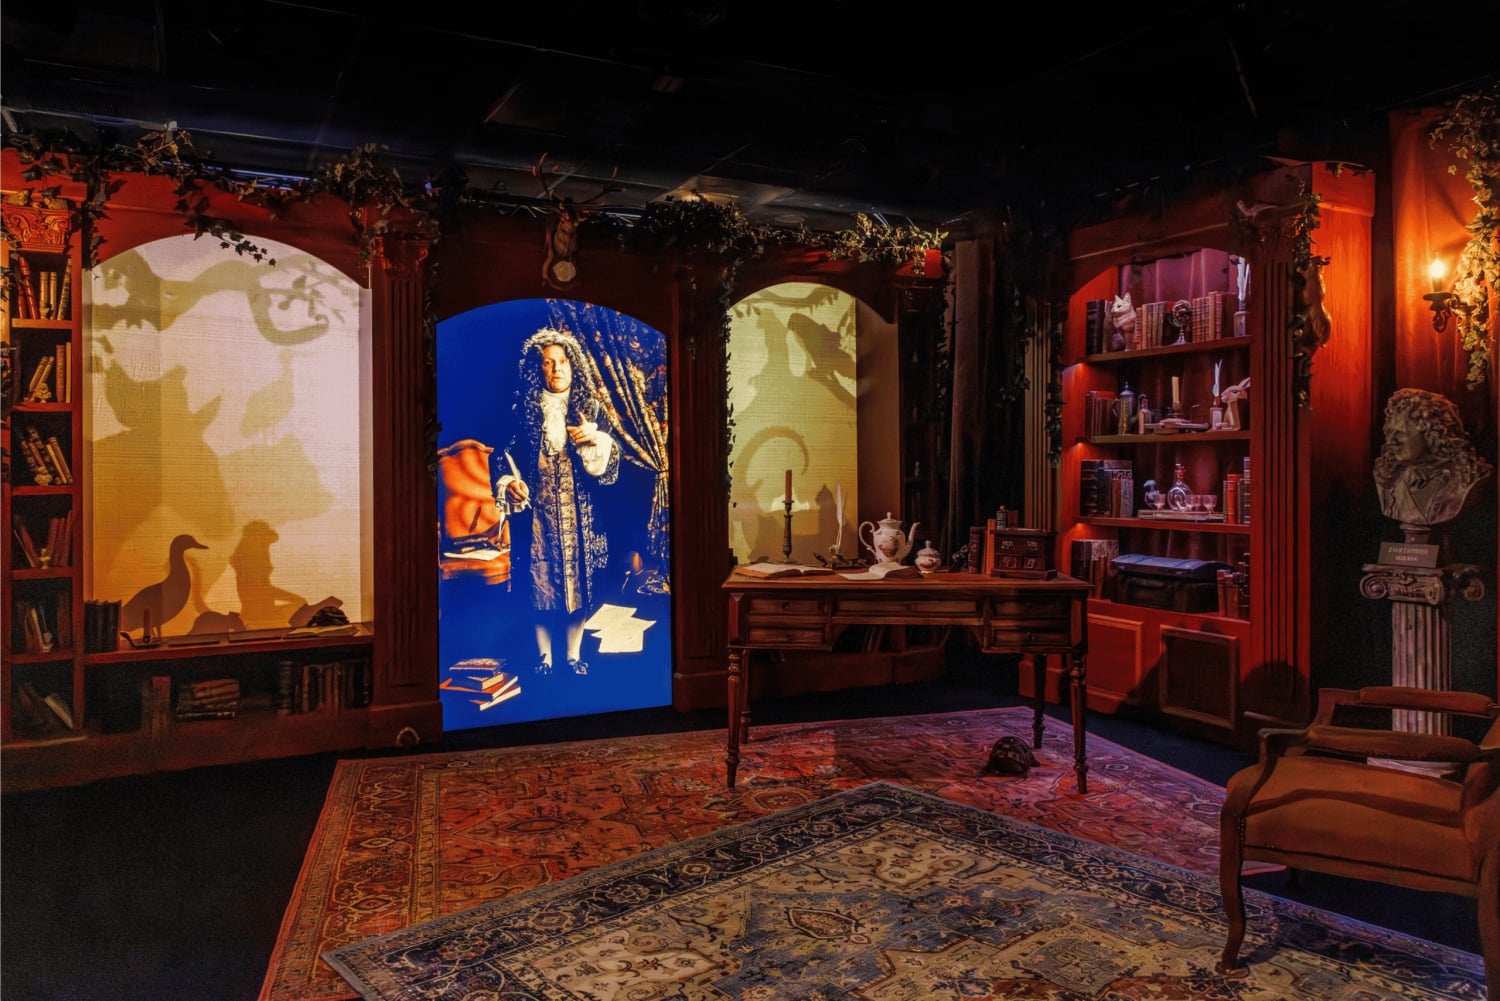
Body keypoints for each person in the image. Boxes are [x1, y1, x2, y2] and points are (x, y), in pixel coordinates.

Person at [498, 327, 620, 675]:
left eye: (563, 361)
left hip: (580, 518)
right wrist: (509, 483)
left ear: (573, 365)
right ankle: (544, 658)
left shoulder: (591, 408)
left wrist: (596, 440)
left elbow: (613, 465)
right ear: (537, 368)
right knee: (540, 584)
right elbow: (501, 457)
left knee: (577, 585)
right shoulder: (523, 410)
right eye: (548, 363)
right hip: (536, 519)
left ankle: (573, 654)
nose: (556, 369)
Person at [1372, 388, 1492, 528]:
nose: (1391, 440)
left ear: (1431, 432)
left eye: (1400, 433)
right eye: (1389, 432)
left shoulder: (1469, 480)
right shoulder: (1388, 480)